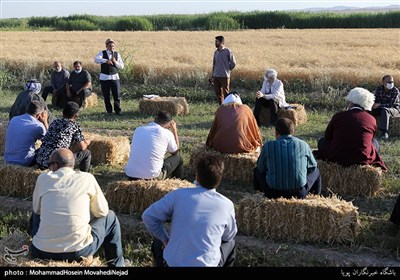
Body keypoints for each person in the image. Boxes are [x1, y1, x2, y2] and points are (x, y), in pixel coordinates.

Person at [29, 148, 124, 267]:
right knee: (111, 216)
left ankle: (40, 240)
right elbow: (102, 212)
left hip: (40, 251)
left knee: (37, 212)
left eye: (49, 165)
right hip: (78, 252)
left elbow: (36, 209)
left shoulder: (42, 178)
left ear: (55, 165)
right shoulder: (87, 178)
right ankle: (117, 265)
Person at [142, 152, 237, 267]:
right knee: (231, 243)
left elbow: (148, 216)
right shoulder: (226, 205)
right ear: (219, 179)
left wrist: (165, 240)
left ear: (197, 176)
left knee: (158, 242)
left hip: (173, 264)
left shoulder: (177, 195)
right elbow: (229, 236)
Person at [317, 87, 387, 171]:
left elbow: (327, 136)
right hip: (363, 158)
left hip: (336, 156)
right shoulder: (371, 119)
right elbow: (370, 138)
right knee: (375, 142)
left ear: (351, 103)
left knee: (321, 141)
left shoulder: (339, 115)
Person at [253, 117, 322, 199]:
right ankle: (314, 197)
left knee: (256, 170)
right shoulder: (303, 145)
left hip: (272, 193)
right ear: (293, 131)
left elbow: (261, 168)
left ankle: (259, 197)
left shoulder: (268, 146)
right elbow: (313, 167)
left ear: (276, 132)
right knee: (316, 171)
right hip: (299, 193)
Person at [125, 111, 183, 180]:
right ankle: (177, 183)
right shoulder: (167, 133)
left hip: (131, 175)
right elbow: (175, 152)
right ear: (169, 124)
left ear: (155, 118)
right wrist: (174, 131)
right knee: (178, 158)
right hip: (152, 176)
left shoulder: (138, 130)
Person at [35, 101, 91, 172]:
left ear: (63, 112)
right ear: (76, 115)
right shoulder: (74, 126)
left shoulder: (55, 122)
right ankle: (84, 176)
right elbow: (82, 147)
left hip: (40, 161)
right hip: (56, 164)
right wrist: (87, 142)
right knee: (86, 153)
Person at [4, 101, 48, 166]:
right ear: (39, 115)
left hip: (7, 159)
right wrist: (45, 122)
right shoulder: (38, 126)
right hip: (24, 161)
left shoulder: (14, 119)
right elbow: (49, 140)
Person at [94, 38, 124, 115]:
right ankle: (109, 111)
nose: (112, 48)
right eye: (110, 46)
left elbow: (122, 66)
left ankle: (118, 110)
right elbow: (96, 60)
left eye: (113, 46)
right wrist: (105, 61)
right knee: (106, 95)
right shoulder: (102, 53)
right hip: (104, 77)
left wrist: (115, 62)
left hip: (115, 77)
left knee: (116, 95)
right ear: (106, 46)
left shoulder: (117, 54)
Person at [369, 75, 400, 140]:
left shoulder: (395, 91)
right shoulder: (379, 89)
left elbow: (391, 104)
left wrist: (379, 104)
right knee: (369, 111)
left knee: (385, 110)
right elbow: (375, 99)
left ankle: (384, 132)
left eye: (392, 82)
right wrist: (372, 105)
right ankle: (369, 129)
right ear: (383, 82)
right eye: (388, 82)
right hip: (381, 108)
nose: (390, 84)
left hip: (394, 109)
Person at [210, 35, 236, 105]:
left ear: (221, 42)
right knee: (218, 93)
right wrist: (212, 75)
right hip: (216, 76)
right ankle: (221, 107)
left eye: (217, 41)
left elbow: (233, 63)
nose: (215, 43)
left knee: (226, 93)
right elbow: (214, 65)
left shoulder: (228, 51)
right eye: (215, 41)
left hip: (224, 76)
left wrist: (228, 69)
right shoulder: (216, 52)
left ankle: (227, 107)